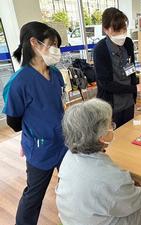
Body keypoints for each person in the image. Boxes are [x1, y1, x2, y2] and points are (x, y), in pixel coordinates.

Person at [56, 98, 141, 225]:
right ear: (101, 137)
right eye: (111, 125)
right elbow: (136, 200)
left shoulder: (68, 156)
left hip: (70, 219)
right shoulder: (108, 177)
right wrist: (135, 187)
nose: (113, 127)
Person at [2, 21, 67, 225]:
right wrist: (36, 132)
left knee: (72, 185)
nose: (56, 50)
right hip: (40, 149)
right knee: (34, 196)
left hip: (64, 143)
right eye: (52, 44)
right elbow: (13, 120)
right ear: (34, 43)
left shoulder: (55, 73)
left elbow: (58, 103)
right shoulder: (19, 82)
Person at [93, 7, 141, 128]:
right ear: (106, 30)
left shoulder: (128, 43)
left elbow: (131, 69)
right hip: (111, 104)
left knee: (128, 131)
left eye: (124, 29)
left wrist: (135, 89)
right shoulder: (100, 50)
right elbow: (105, 84)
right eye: (116, 31)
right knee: (113, 136)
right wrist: (134, 88)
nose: (121, 34)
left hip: (128, 101)